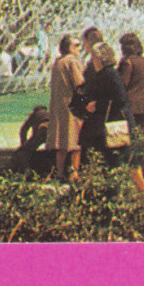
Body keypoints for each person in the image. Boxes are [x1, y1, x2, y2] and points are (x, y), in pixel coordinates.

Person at [73, 41, 137, 171]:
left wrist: (97, 105)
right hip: (99, 128)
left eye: (95, 58)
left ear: (102, 59)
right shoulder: (102, 74)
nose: (92, 61)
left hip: (106, 128)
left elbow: (121, 99)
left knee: (109, 162)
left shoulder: (110, 74)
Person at [46, 34, 86, 180]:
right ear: (68, 47)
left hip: (59, 105)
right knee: (76, 140)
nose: (79, 48)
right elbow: (80, 84)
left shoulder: (58, 62)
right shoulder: (72, 61)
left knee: (61, 140)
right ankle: (74, 172)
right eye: (76, 45)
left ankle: (60, 172)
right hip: (73, 105)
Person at [118, 31, 144, 192]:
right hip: (142, 109)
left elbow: (121, 86)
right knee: (138, 146)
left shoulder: (127, 63)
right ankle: (138, 180)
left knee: (127, 147)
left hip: (128, 110)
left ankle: (137, 185)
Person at [11, 104, 51, 173]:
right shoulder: (50, 113)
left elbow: (23, 130)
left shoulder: (33, 115)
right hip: (51, 133)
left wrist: (23, 144)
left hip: (40, 133)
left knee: (21, 152)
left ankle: (27, 169)